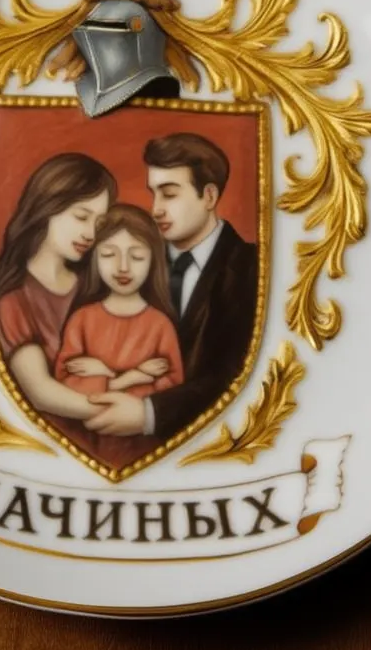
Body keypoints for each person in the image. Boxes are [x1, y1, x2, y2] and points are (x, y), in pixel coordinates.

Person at [85, 133, 258, 441]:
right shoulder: (133, 261)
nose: (156, 209)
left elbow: (244, 372)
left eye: (169, 194)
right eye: (154, 194)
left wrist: (151, 413)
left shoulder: (250, 268)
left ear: (209, 197)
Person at [0, 153, 117, 445]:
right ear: (47, 207)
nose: (90, 233)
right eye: (81, 217)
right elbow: (41, 392)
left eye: (99, 223)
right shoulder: (13, 298)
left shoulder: (96, 283)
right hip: (51, 443)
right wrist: (121, 413)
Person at [54, 205, 184, 468]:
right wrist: (131, 378)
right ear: (94, 258)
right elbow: (66, 385)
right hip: (84, 450)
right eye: (109, 254)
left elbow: (173, 393)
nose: (123, 267)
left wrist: (102, 377)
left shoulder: (160, 325)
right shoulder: (82, 319)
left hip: (149, 453)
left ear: (153, 261)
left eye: (136, 256)